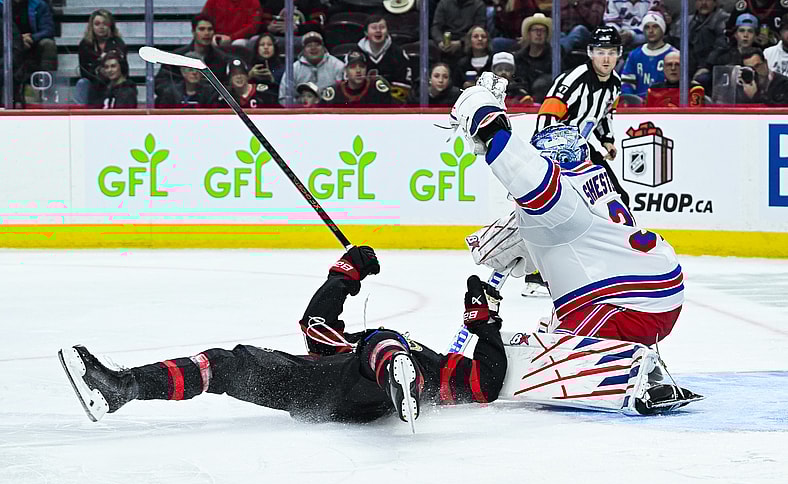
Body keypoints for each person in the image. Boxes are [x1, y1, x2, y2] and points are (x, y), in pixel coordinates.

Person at [59, 246, 508, 425]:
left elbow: (484, 383)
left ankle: (395, 381)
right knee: (226, 363)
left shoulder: (432, 367)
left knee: (384, 339)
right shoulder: (350, 347)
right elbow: (316, 323)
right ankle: (122, 388)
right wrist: (346, 274)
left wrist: (484, 325)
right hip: (314, 389)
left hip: (365, 397)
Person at [452, 74, 684, 348]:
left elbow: (520, 169)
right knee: (555, 323)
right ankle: (630, 354)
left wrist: (486, 117)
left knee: (551, 352)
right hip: (655, 288)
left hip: (630, 303)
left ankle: (626, 363)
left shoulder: (561, 199)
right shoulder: (593, 179)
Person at [536, 26, 628, 204]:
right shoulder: (573, 80)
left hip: (582, 148)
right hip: (554, 152)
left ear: (619, 53)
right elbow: (546, 116)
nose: (606, 59)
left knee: (618, 197)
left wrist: (607, 140)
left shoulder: (615, 83)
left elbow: (605, 114)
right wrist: (551, 154)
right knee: (560, 202)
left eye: (611, 52)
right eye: (600, 52)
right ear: (590, 53)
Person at [154, 14, 229, 99]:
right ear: (193, 32)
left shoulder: (221, 59)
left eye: (210, 29)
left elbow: (226, 86)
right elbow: (160, 84)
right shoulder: (176, 57)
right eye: (202, 29)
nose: (206, 33)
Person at [3, 0, 57, 97]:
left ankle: (47, 89)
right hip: (8, 45)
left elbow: (48, 30)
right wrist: (18, 40)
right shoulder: (1, 6)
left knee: (48, 44)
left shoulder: (39, 5)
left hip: (32, 44)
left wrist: (32, 38)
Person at [694, 12, 758, 93]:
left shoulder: (760, 57)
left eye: (750, 31)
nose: (745, 35)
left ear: (755, 36)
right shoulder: (723, 57)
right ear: (735, 34)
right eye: (742, 31)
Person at [75, 9, 126, 106]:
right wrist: (99, 70)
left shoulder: (118, 43)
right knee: (82, 83)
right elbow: (84, 71)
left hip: (114, 81)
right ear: (92, 26)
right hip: (94, 81)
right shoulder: (85, 45)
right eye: (97, 24)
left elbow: (124, 69)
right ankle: (81, 112)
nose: (101, 27)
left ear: (110, 26)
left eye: (105, 24)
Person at [620, 11, 677, 98]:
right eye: (647, 27)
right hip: (638, 104)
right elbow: (626, 83)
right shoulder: (634, 55)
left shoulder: (674, 55)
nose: (651, 31)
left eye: (655, 26)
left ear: (662, 29)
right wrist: (631, 100)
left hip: (664, 102)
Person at [278, 31, 344, 105]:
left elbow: (344, 94)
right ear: (303, 50)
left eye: (317, 45)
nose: (313, 48)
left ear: (324, 47)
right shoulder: (293, 69)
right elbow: (284, 97)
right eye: (309, 45)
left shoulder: (337, 65)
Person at [356, 13, 412, 100]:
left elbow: (404, 85)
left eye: (382, 27)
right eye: (374, 27)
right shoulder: (356, 53)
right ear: (366, 32)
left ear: (387, 31)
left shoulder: (398, 53)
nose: (378, 30)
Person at [320, 49, 394, 106]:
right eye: (353, 67)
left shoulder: (377, 88)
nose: (358, 71)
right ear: (346, 70)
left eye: (362, 66)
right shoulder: (334, 92)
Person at [513, 13, 553, 102]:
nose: (539, 34)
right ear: (529, 33)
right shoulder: (519, 57)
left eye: (542, 30)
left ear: (547, 34)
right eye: (535, 30)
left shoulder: (554, 57)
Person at [686, 0, 729, 76]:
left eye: (707, 0)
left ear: (715, 3)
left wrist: (706, 66)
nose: (703, 3)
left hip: (713, 67)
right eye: (700, 0)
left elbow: (721, 45)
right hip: (692, 67)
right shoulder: (689, 20)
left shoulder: (723, 18)